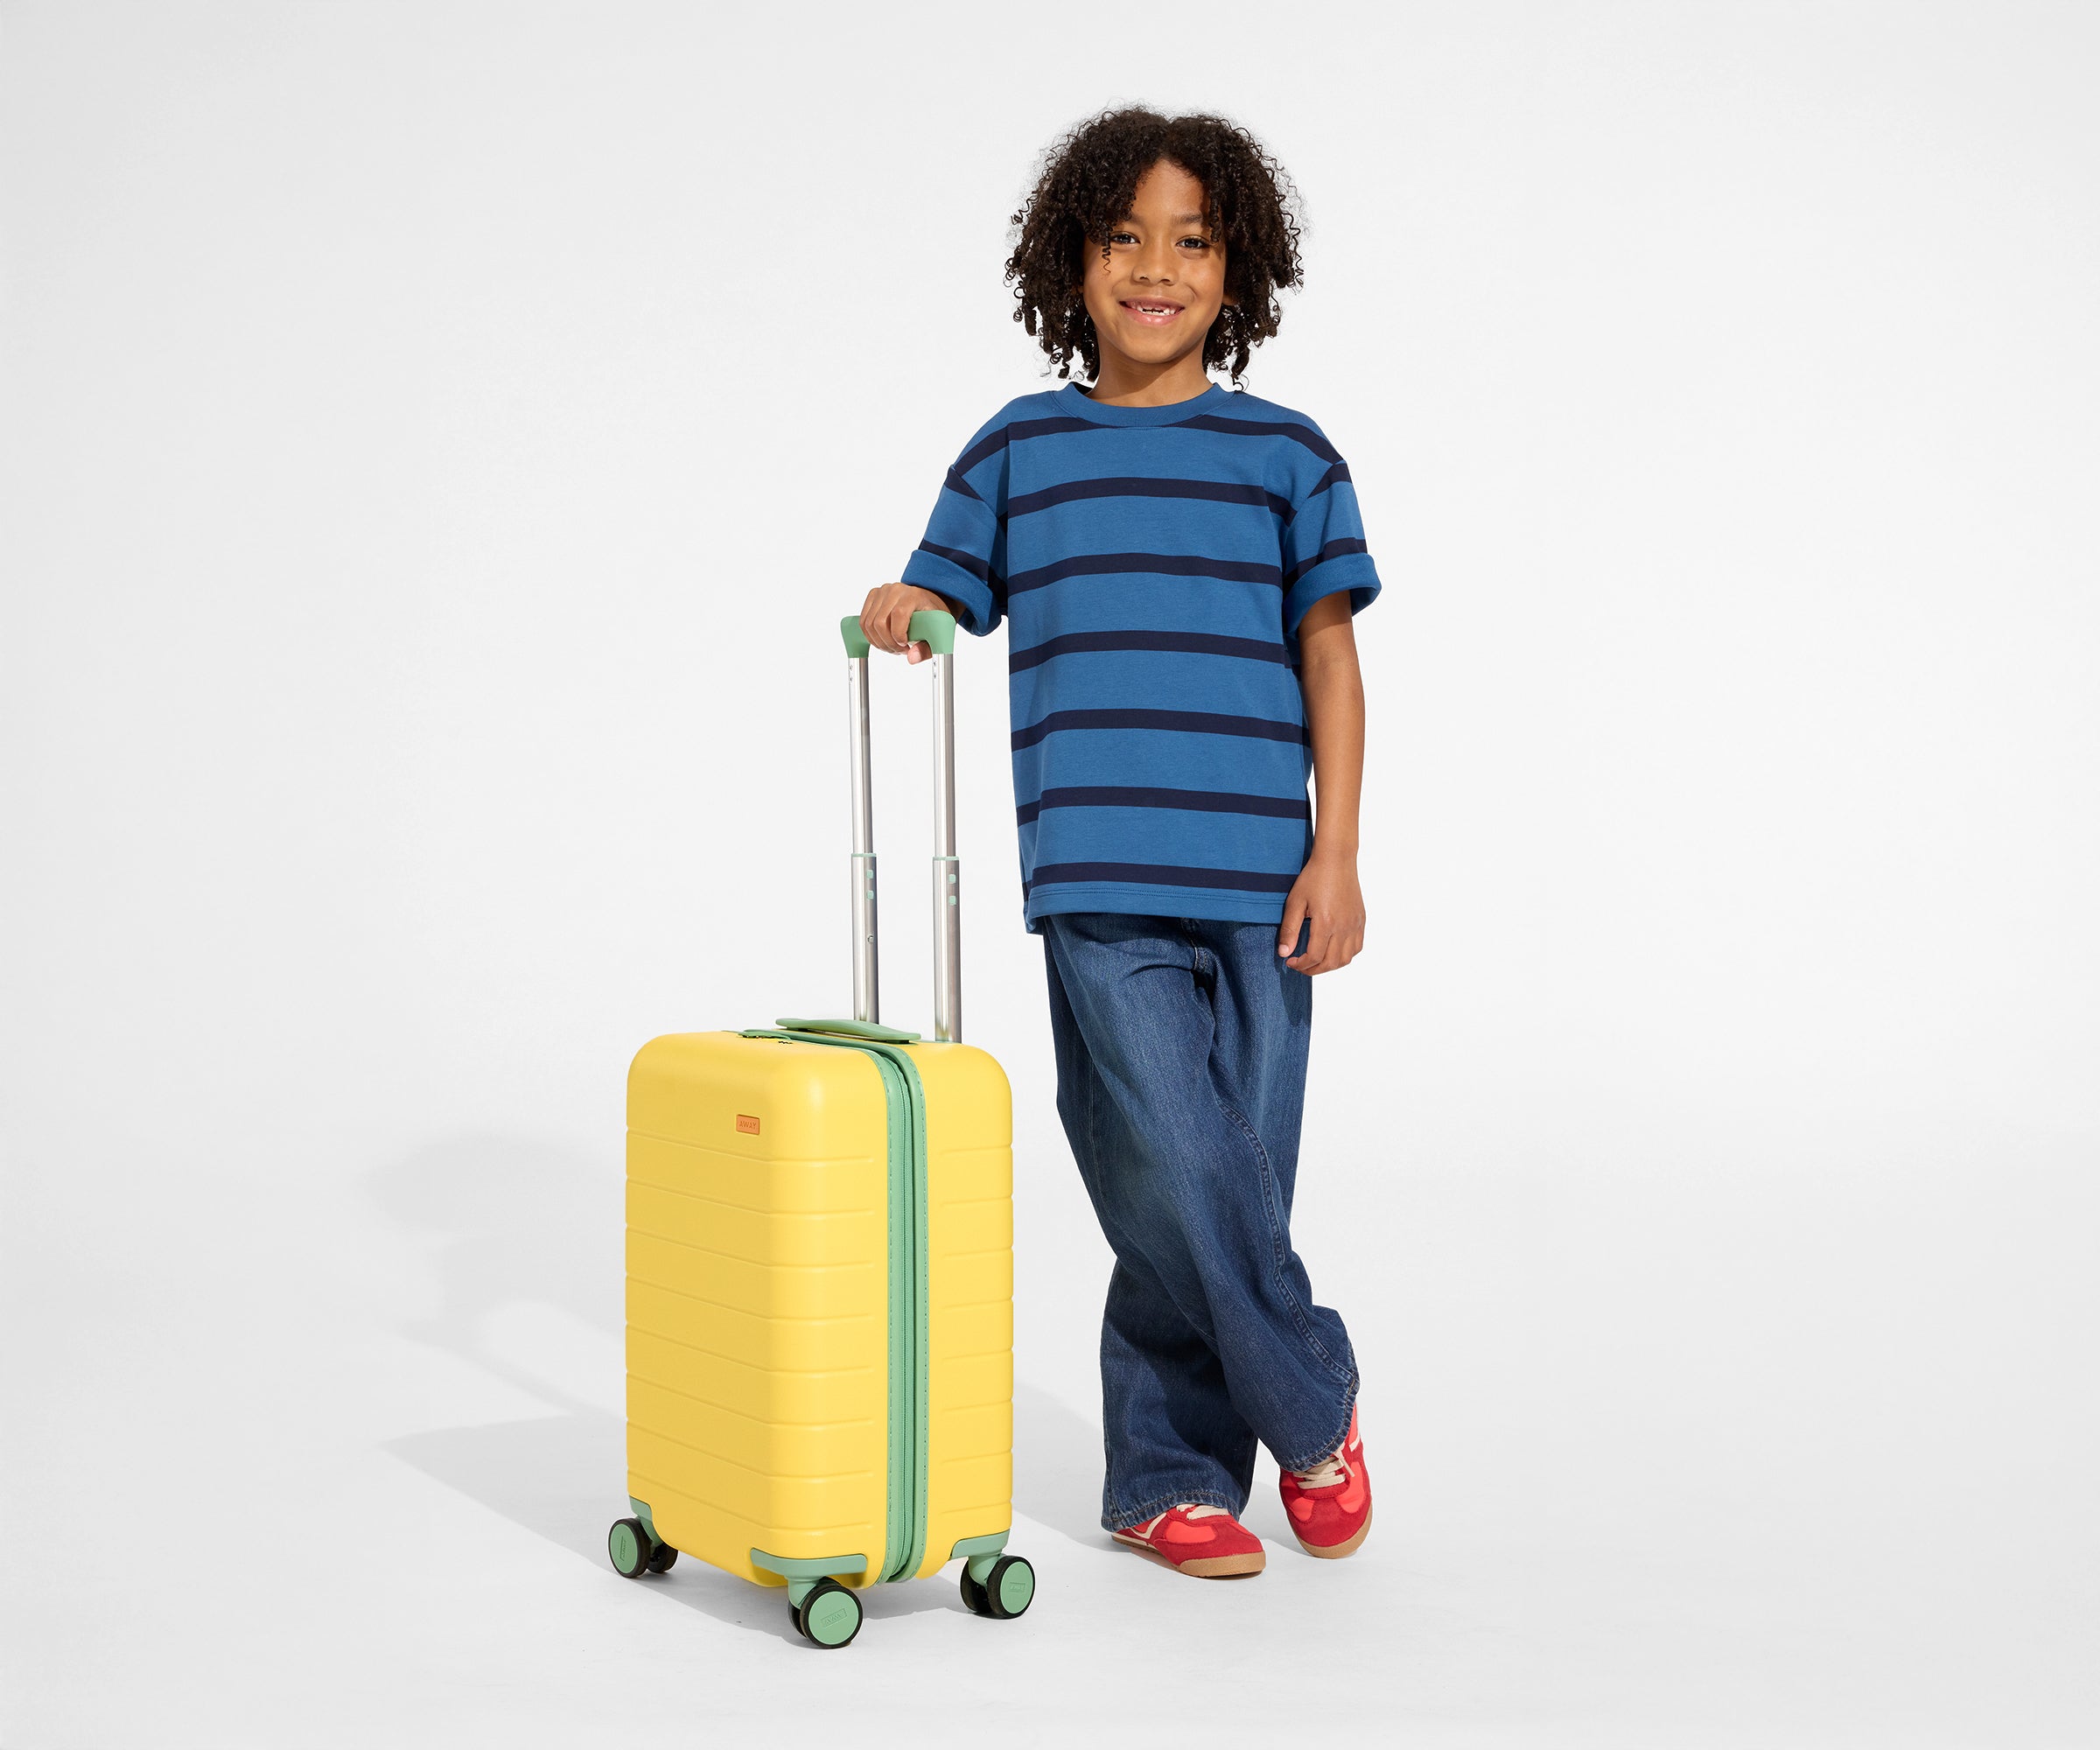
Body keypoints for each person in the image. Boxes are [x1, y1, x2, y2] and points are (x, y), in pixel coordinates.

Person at [858, 107, 1377, 1579]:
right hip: (1096, 878)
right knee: (1167, 1164)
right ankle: (1315, 1401)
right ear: (1071, 260)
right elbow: (945, 592)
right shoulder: (1021, 446)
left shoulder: (1288, 455)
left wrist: (1336, 853)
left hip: (1264, 882)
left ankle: (1168, 1478)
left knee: (1224, 1181)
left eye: (1192, 241)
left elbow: (1331, 659)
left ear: (1238, 270)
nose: (1156, 267)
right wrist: (910, 604)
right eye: (1124, 237)